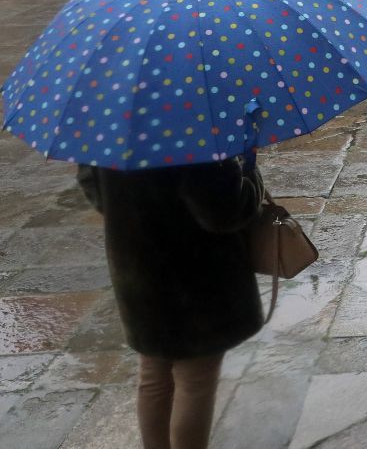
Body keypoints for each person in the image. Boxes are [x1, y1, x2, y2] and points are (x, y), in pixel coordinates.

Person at [78, 155, 263, 449]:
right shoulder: (196, 130)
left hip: (139, 274)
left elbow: (92, 185)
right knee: (195, 382)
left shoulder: (111, 125)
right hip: (197, 281)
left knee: (153, 374)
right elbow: (224, 213)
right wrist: (251, 174)